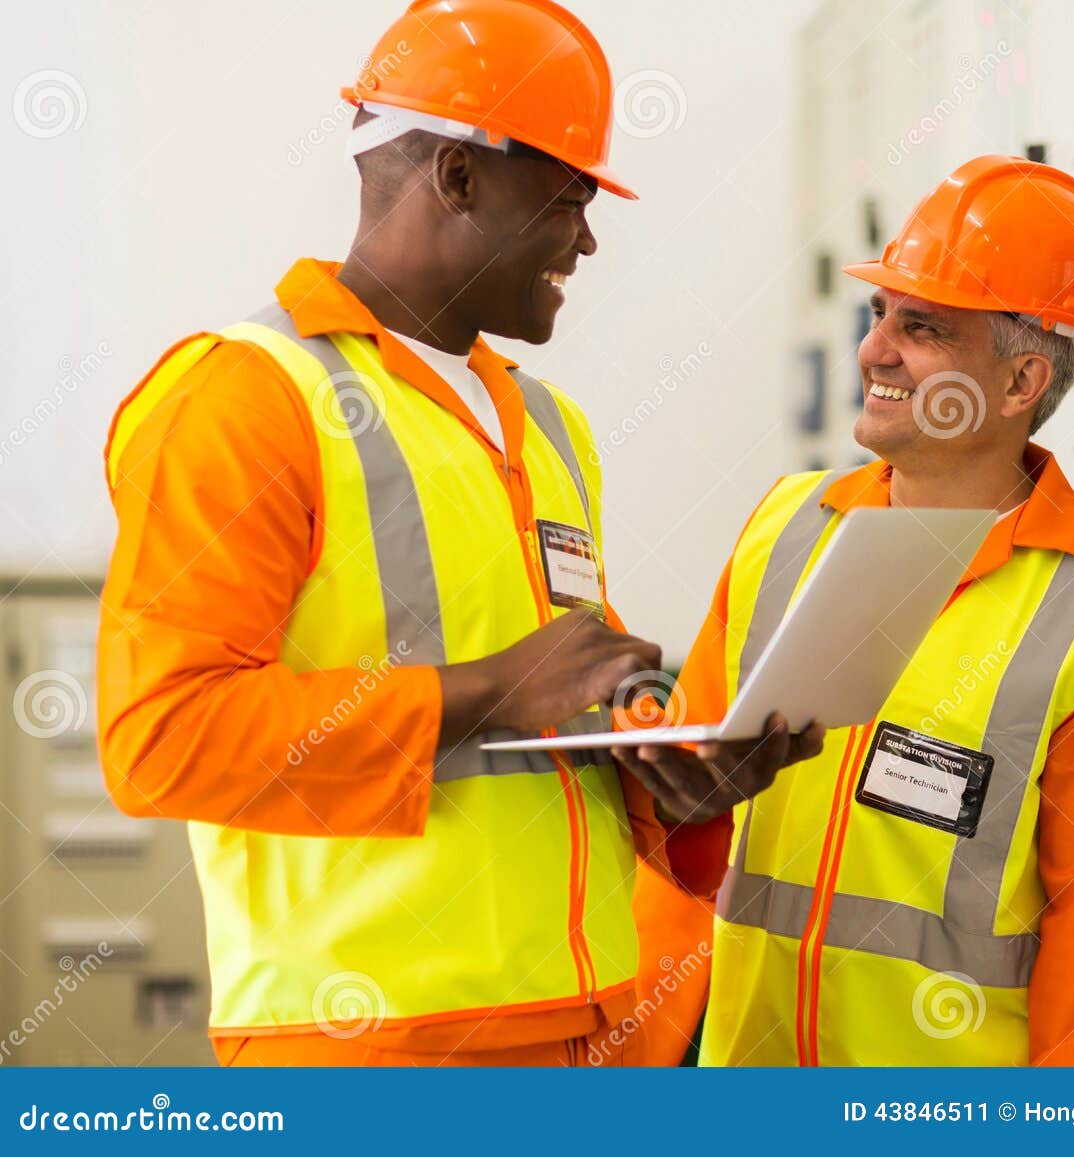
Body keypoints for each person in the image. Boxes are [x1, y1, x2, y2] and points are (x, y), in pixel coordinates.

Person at [96, 0, 820, 1068]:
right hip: (367, 1044)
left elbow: (561, 701)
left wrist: (674, 772)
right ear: (459, 176)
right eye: (569, 197)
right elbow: (157, 740)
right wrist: (484, 688)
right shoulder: (245, 398)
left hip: (580, 1022)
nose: (586, 236)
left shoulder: (546, 423)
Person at [625, 155, 1074, 1066]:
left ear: (1019, 385)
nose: (875, 350)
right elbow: (672, 824)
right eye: (878, 313)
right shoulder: (784, 526)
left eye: (922, 327)